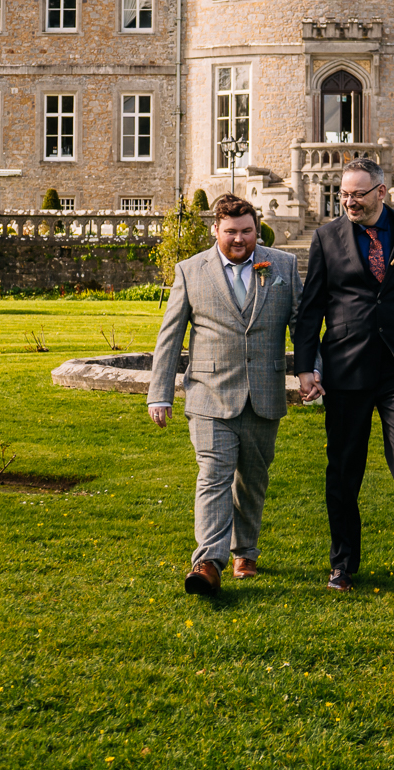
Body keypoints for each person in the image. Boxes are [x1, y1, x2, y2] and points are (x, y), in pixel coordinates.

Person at [294, 157, 394, 598]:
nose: (349, 202)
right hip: (346, 370)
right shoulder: (326, 238)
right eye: (344, 194)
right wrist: (306, 368)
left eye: (358, 194)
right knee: (344, 472)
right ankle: (342, 564)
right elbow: (311, 309)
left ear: (381, 193)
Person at [147, 194, 297, 597]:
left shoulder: (283, 266)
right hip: (209, 393)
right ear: (215, 229)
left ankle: (244, 551)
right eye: (230, 232)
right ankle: (208, 561)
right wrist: (159, 394)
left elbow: (300, 323)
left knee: (252, 478)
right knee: (213, 475)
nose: (239, 239)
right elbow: (170, 336)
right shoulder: (190, 270)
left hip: (264, 391)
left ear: (256, 228)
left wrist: (310, 370)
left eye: (246, 231)